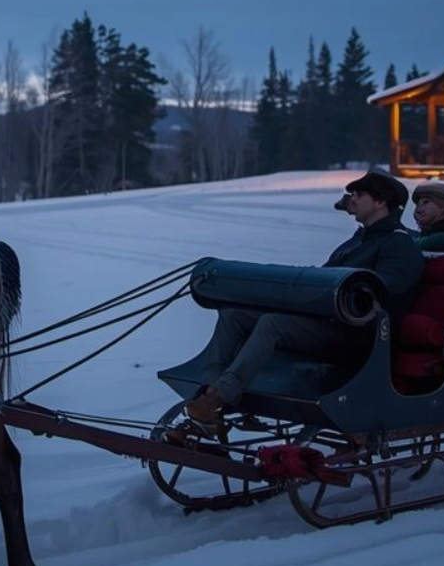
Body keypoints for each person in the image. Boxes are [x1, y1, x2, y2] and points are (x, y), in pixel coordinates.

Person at [180, 171, 424, 432]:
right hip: (327, 322)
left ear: (380, 202)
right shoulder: (359, 240)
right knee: (233, 315)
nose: (352, 199)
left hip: (356, 334)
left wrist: (342, 292)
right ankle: (210, 393)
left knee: (274, 324)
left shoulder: (399, 244)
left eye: (360, 195)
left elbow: (383, 288)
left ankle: (219, 397)